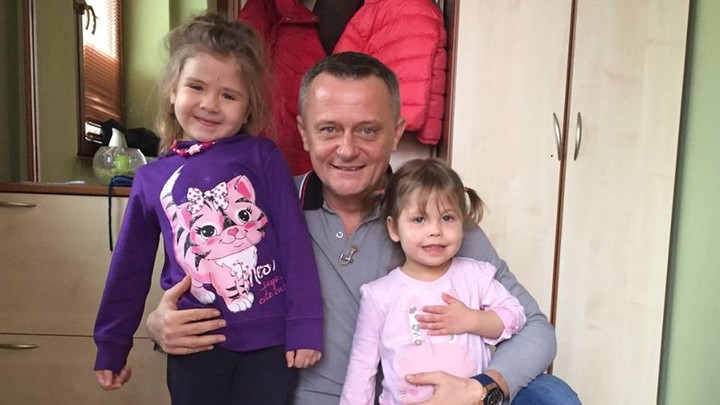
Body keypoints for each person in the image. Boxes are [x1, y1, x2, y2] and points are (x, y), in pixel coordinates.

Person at [146, 51, 581, 404]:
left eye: (368, 131)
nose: (347, 149)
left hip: (428, 396)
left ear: (396, 133)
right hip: (311, 398)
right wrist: (162, 324)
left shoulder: (437, 223)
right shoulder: (256, 212)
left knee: (551, 396)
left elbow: (536, 330)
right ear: (303, 132)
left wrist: (481, 389)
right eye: (329, 129)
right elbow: (208, 286)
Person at [92, 13, 323, 405]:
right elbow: (129, 268)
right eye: (196, 87)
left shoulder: (262, 156)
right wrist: (112, 343)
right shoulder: (152, 178)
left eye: (229, 95)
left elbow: (294, 243)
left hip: (269, 345)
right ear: (173, 91)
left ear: (248, 107)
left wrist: (306, 324)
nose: (210, 105)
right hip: (194, 341)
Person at [340, 158, 527, 404]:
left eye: (447, 218)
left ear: (463, 223)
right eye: (419, 219)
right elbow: (361, 370)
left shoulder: (475, 276)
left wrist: (473, 320)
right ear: (394, 229)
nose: (435, 230)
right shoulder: (380, 295)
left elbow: (515, 316)